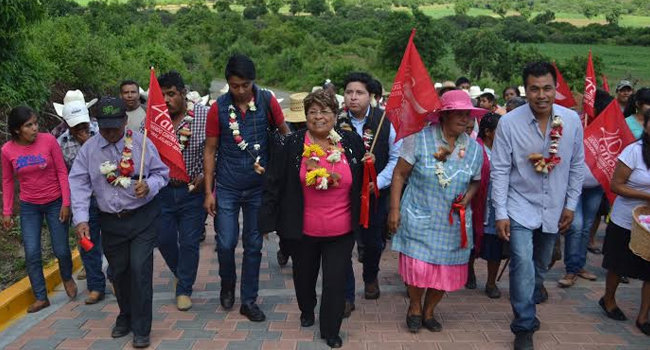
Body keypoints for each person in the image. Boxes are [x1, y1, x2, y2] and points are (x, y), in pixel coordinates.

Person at [259, 89, 365, 348]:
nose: (318, 117)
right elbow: (273, 183)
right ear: (305, 116)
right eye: (312, 112)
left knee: (336, 281)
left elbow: (362, 180)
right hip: (302, 230)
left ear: (335, 114)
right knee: (304, 278)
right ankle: (307, 309)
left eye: (324, 111)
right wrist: (267, 222)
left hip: (341, 230)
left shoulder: (351, 142)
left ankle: (331, 329)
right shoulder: (292, 144)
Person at [491, 61, 585, 350]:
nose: (541, 95)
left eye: (547, 88)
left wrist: (570, 205)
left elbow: (577, 166)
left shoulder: (571, 121)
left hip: (555, 206)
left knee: (541, 263)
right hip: (519, 204)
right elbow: (500, 169)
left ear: (556, 89)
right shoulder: (508, 122)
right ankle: (524, 325)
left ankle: (529, 295)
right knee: (521, 262)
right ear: (525, 90)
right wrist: (501, 212)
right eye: (534, 89)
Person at [69, 96, 169, 348]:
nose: (111, 133)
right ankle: (125, 315)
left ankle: (142, 328)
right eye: (105, 128)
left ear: (125, 120)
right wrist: (81, 219)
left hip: (142, 218)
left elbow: (162, 174)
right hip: (110, 222)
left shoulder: (141, 143)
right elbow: (79, 184)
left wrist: (150, 185)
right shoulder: (89, 150)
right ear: (97, 124)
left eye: (116, 126)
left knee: (139, 269)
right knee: (119, 272)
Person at [389, 90, 486, 333]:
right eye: (459, 114)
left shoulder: (474, 149)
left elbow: (475, 181)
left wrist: (468, 198)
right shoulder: (419, 139)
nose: (465, 120)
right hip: (419, 213)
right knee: (418, 268)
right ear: (443, 116)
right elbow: (400, 173)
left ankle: (429, 311)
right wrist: (394, 210)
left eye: (468, 115)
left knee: (445, 271)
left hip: (452, 222)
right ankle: (414, 306)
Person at [203, 54, 290, 322]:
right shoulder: (218, 108)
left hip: (258, 189)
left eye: (245, 85)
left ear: (253, 81)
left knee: (253, 245)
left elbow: (285, 133)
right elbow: (210, 149)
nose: (240, 91)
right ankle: (227, 283)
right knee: (226, 243)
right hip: (227, 187)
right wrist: (209, 191)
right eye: (234, 86)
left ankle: (248, 300)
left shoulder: (267, 100)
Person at [337, 72, 402, 316]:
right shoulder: (337, 121)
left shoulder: (386, 120)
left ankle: (370, 275)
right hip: (343, 195)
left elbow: (395, 158)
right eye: (349, 92)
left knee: (374, 242)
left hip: (375, 195)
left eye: (359, 93)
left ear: (372, 96)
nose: (353, 97)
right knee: (342, 243)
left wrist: (379, 181)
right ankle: (345, 295)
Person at [2, 106, 77, 313]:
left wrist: (66, 202)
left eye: (35, 123)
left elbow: (62, 171)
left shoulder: (48, 141)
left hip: (55, 202)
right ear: (17, 130)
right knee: (32, 252)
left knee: (61, 249)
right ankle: (41, 297)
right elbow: (8, 181)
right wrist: (7, 211)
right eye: (29, 125)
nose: (35, 128)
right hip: (29, 207)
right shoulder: (7, 150)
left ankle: (67, 276)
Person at [153, 71, 208, 311]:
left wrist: (207, 178)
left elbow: (215, 150)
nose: (166, 100)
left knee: (189, 242)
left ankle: (184, 287)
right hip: (163, 192)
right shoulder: (155, 120)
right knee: (163, 240)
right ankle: (180, 271)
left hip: (192, 193)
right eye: (162, 95)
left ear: (183, 93)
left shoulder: (204, 117)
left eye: (172, 94)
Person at [56, 92, 110, 305]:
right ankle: (96, 286)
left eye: (83, 125)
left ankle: (115, 276)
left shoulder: (103, 133)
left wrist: (91, 144)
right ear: (68, 126)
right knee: (88, 243)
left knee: (114, 240)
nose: (81, 130)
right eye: (76, 127)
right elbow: (65, 176)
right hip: (83, 202)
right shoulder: (61, 143)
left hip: (107, 195)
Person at [599, 109, 650, 336]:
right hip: (625, 221)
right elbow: (616, 185)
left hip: (649, 226)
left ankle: (643, 316)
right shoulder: (634, 152)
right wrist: (647, 196)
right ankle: (608, 299)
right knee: (618, 266)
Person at [471, 112, 505, 298]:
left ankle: (491, 282)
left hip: (495, 207)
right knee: (470, 242)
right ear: (488, 132)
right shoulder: (474, 148)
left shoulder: (506, 149)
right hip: (476, 203)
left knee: (495, 246)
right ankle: (469, 271)